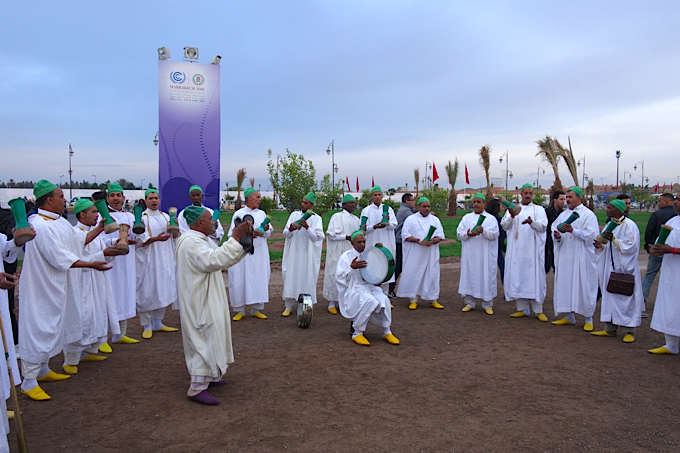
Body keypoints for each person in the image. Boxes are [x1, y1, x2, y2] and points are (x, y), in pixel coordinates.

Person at [18, 181, 111, 401]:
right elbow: (60, 257)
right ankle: (28, 381)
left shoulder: (59, 222)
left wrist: (99, 228)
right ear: (49, 200)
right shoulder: (40, 225)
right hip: (40, 286)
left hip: (58, 284)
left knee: (53, 326)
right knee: (38, 328)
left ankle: (42, 370)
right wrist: (92, 265)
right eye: (61, 197)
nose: (64, 201)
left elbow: (78, 241)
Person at [175, 205, 252, 404]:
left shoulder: (202, 239)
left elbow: (221, 259)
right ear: (199, 222)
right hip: (199, 300)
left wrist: (244, 244)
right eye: (210, 219)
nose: (214, 222)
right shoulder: (190, 242)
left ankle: (210, 376)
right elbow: (214, 260)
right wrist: (234, 238)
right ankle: (197, 387)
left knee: (214, 333)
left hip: (208, 295)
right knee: (203, 336)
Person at [62, 199, 120, 375]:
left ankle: (87, 352)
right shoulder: (74, 234)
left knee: (96, 315)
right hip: (81, 283)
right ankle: (70, 359)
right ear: (82, 214)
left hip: (97, 280)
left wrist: (112, 250)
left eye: (97, 212)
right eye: (93, 212)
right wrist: (102, 254)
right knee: (81, 318)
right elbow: (74, 259)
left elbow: (101, 254)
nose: (97, 215)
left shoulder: (96, 234)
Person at [591, 200, 644, 343]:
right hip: (610, 267)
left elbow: (631, 247)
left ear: (618, 210)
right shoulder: (610, 224)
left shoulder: (629, 225)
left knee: (625, 298)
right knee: (610, 296)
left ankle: (629, 330)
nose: (606, 210)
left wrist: (613, 239)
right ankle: (610, 328)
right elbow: (606, 247)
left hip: (624, 268)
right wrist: (600, 246)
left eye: (609, 208)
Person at [336, 231, 399, 346]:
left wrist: (376, 280)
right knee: (370, 300)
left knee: (384, 299)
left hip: (369, 287)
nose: (362, 244)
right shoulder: (346, 257)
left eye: (364, 241)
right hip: (353, 289)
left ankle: (387, 331)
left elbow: (374, 272)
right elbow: (340, 279)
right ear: (352, 243)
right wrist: (351, 267)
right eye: (358, 242)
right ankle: (357, 332)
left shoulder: (369, 253)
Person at [551, 187, 600, 331]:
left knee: (584, 285)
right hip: (566, 256)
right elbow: (555, 229)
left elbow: (592, 235)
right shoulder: (563, 215)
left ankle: (588, 318)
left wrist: (573, 230)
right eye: (566, 197)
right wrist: (558, 236)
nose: (568, 200)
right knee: (567, 284)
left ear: (579, 197)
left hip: (582, 257)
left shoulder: (588, 215)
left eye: (570, 197)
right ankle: (569, 315)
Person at [501, 184, 549, 321]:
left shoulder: (539, 209)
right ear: (521, 194)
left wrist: (531, 222)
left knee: (534, 279)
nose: (528, 195)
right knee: (518, 277)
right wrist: (511, 215)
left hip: (532, 252)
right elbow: (504, 226)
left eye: (530, 193)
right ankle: (522, 309)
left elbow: (543, 227)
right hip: (516, 251)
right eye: (526, 193)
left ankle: (538, 311)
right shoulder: (513, 209)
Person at [135, 189, 179, 339]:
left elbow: (174, 237)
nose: (154, 201)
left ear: (160, 200)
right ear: (145, 201)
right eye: (150, 198)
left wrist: (176, 230)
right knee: (147, 291)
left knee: (163, 289)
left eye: (156, 198)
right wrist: (156, 239)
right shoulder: (142, 218)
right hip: (148, 261)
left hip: (165, 260)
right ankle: (146, 325)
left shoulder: (166, 217)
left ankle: (158, 322)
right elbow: (141, 240)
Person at [227, 188, 272, 321]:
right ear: (249, 198)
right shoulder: (239, 214)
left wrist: (265, 230)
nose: (259, 199)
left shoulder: (262, 214)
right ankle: (240, 310)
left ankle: (256, 309)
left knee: (259, 276)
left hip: (259, 251)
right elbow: (231, 234)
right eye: (257, 197)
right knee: (241, 277)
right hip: (243, 251)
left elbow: (268, 234)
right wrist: (246, 235)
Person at [105, 182, 141, 346]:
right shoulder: (101, 217)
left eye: (118, 195)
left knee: (125, 293)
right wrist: (117, 240)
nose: (115, 198)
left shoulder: (130, 216)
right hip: (109, 262)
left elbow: (138, 237)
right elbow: (98, 241)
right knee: (109, 296)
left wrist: (136, 238)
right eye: (112, 195)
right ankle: (101, 338)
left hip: (127, 261)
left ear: (123, 198)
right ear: (107, 198)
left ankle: (120, 333)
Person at [396, 197, 445, 309]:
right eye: (424, 206)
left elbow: (440, 235)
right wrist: (418, 241)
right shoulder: (411, 219)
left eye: (428, 206)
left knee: (432, 274)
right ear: (419, 207)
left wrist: (433, 240)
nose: (427, 209)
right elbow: (405, 235)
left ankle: (433, 298)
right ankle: (413, 299)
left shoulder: (435, 220)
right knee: (414, 273)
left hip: (430, 253)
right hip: (415, 254)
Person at [281, 192, 324, 316]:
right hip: (293, 253)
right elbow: (286, 234)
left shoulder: (317, 218)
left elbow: (316, 237)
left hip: (308, 255)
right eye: (302, 202)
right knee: (290, 275)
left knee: (307, 277)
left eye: (306, 203)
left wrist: (307, 227)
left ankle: (305, 304)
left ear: (311, 205)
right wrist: (290, 229)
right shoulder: (294, 215)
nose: (303, 204)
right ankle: (288, 306)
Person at [457, 193, 500, 314]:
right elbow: (459, 233)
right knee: (469, 276)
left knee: (487, 276)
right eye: (474, 202)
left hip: (485, 256)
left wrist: (483, 231)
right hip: (470, 255)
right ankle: (470, 303)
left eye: (478, 202)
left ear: (484, 204)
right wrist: (468, 233)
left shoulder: (491, 219)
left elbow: (495, 235)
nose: (475, 204)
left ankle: (487, 304)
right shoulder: (466, 218)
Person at [648, 194, 680, 354]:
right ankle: (671, 344)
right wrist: (657, 249)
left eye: (679, 200)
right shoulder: (673, 221)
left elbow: (672, 247)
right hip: (671, 272)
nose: (676, 202)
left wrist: (672, 250)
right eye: (676, 198)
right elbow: (662, 241)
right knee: (672, 305)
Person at [323, 194, 359, 314]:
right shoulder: (337, 216)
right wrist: (346, 237)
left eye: (354, 203)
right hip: (338, 250)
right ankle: (332, 302)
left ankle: (344, 302)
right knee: (336, 273)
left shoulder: (356, 219)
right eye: (350, 203)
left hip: (351, 250)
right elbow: (331, 235)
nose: (353, 205)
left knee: (350, 275)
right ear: (344, 205)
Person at [641, 193, 676, 317]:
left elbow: (649, 230)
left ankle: (641, 302)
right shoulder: (675, 216)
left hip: (658, 248)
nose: (658, 203)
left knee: (650, 275)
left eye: (660, 201)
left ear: (666, 202)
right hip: (673, 253)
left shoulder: (657, 214)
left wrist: (648, 245)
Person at [360, 186, 397, 295]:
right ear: (371, 196)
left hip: (387, 242)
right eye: (375, 195)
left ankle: (384, 297)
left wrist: (387, 224)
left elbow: (394, 225)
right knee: (372, 267)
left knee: (386, 267)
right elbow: (363, 229)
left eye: (379, 195)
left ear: (382, 196)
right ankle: (372, 297)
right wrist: (374, 227)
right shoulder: (366, 210)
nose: (377, 197)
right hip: (372, 242)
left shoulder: (388, 208)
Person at [389, 193, 415, 297]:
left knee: (401, 264)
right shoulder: (406, 211)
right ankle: (391, 288)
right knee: (400, 265)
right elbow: (416, 220)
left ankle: (392, 287)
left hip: (400, 239)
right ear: (407, 201)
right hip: (401, 241)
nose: (414, 202)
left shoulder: (405, 209)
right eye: (413, 200)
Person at [485, 199, 506, 283]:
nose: (502, 207)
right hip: (495, 246)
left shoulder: (489, 217)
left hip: (495, 246)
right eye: (500, 205)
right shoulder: (495, 219)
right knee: (503, 267)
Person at [545, 190, 565, 274]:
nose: (563, 201)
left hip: (558, 244)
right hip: (547, 244)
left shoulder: (563, 213)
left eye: (564, 199)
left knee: (559, 269)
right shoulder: (547, 212)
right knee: (544, 267)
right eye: (561, 199)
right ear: (555, 200)